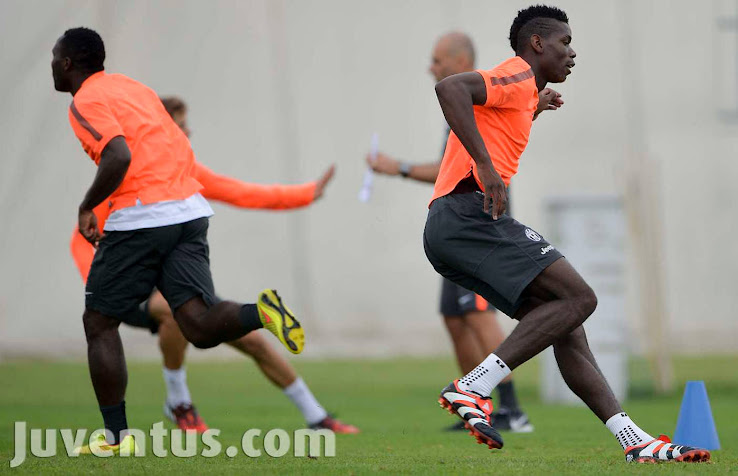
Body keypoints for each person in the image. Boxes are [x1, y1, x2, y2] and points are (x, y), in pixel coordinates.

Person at [425, 5, 710, 463]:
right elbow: (450, 87)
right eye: (564, 42)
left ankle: (633, 440)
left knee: (567, 323)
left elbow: (496, 120)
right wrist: (484, 164)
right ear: (536, 44)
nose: (572, 53)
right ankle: (472, 387)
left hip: (454, 226)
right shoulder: (516, 74)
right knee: (581, 298)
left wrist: (534, 108)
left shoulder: (523, 92)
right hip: (466, 215)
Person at [53, 27, 305, 455]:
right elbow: (176, 145)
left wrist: (86, 206)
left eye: (54, 61)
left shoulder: (85, 100)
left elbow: (118, 154)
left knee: (99, 322)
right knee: (200, 326)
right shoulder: (134, 87)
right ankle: (261, 311)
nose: (53, 68)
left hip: (141, 217)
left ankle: (116, 438)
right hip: (188, 212)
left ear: (67, 65)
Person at [68, 96, 359, 435]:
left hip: (170, 281)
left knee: (248, 337)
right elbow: (80, 238)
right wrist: (101, 291)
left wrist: (306, 194)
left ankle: (317, 417)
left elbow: (243, 192)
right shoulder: (127, 178)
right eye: (180, 124)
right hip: (129, 288)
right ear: (158, 128)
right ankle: (180, 403)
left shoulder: (183, 172)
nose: (187, 131)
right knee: (171, 309)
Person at [368, 32, 550, 433]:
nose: (432, 67)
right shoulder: (466, 104)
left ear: (461, 58)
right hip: (456, 222)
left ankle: (511, 409)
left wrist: (395, 167)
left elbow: (461, 159)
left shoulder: (478, 93)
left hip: (480, 222)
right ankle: (477, 403)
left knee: (479, 313)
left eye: (437, 59)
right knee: (454, 316)